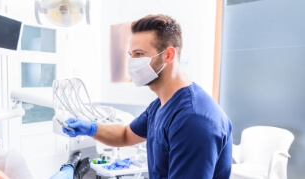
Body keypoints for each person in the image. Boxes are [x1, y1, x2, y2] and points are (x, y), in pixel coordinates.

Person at [62, 14, 233, 178]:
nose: (132, 62)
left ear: (168, 55)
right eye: (131, 55)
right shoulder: (160, 105)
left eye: (139, 54)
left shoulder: (193, 119)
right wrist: (92, 128)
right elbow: (125, 134)